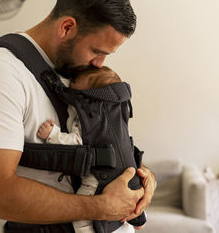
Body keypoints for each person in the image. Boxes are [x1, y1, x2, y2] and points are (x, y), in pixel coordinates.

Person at [0, 0, 156, 233]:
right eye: (97, 52)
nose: (100, 64)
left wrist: (144, 178)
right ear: (67, 27)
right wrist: (103, 207)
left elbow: (105, 141)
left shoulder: (76, 71)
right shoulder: (3, 72)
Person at [37, 66, 144, 233]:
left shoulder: (90, 117)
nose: (71, 86)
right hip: (129, 181)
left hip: (97, 183)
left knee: (81, 220)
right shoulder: (118, 114)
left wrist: (53, 134)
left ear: (90, 95)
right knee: (122, 225)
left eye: (75, 85)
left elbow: (77, 142)